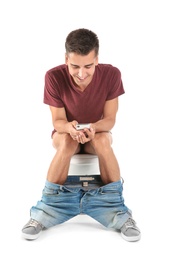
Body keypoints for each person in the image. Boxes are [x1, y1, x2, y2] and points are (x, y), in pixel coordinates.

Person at [22, 28, 141, 242]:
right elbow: (57, 121)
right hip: (66, 132)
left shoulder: (112, 74)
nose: (81, 74)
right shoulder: (53, 76)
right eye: (74, 66)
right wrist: (70, 128)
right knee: (67, 142)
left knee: (103, 140)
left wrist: (94, 128)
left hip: (97, 132)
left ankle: (119, 212)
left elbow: (110, 119)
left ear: (97, 59)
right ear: (66, 59)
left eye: (88, 66)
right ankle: (43, 212)